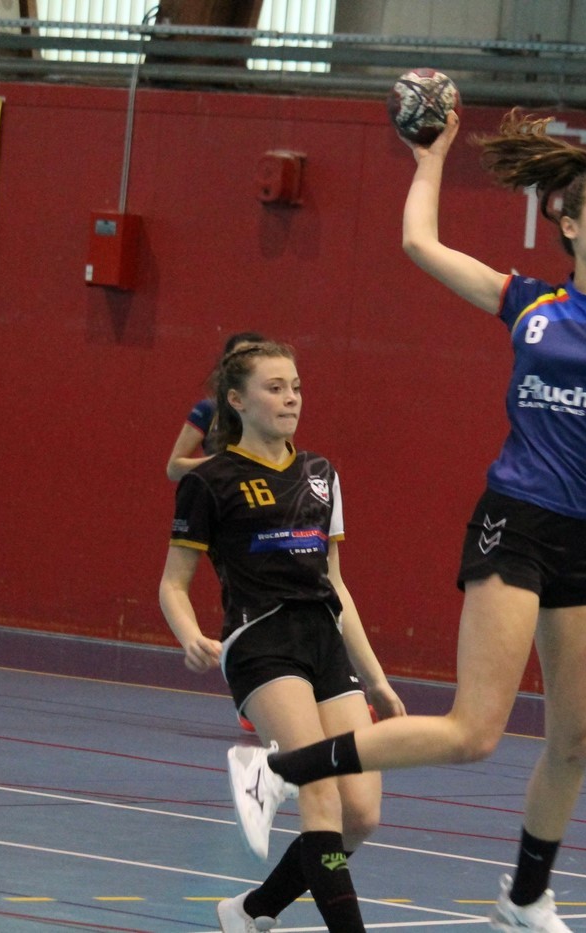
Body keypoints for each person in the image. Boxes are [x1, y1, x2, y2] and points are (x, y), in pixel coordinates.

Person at [227, 108, 586, 933]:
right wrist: (433, 156)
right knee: (473, 731)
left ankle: (523, 896)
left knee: (577, 737)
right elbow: (420, 244)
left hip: (578, 540)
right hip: (513, 524)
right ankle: (279, 769)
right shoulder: (530, 302)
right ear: (569, 223)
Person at [158, 340, 405, 933]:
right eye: (275, 388)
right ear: (237, 400)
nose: (291, 398)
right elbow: (172, 583)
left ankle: (251, 911)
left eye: (295, 387)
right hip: (261, 641)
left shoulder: (321, 474)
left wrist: (376, 680)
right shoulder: (210, 481)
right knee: (320, 792)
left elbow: (336, 584)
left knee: (361, 815)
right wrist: (190, 635)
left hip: (323, 641)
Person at [167, 331, 266, 734]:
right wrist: (222, 463)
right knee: (243, 593)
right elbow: (174, 466)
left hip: (260, 510)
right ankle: (250, 692)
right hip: (223, 511)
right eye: (239, 358)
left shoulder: (266, 412)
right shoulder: (208, 411)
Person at [166, 331, 266, 483]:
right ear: (226, 365)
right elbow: (173, 469)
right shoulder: (209, 409)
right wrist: (226, 461)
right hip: (220, 492)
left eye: (256, 358)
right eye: (241, 358)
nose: (249, 365)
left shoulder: (273, 412)